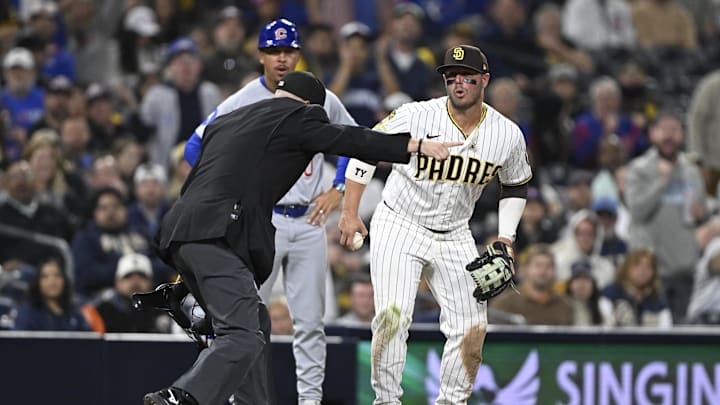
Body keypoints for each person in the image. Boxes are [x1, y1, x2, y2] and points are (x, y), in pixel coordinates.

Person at [143, 71, 459, 405]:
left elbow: (205, 177)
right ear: (311, 105)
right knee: (243, 335)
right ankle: (181, 397)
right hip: (217, 235)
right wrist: (417, 145)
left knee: (256, 320)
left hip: (181, 230)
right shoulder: (299, 116)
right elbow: (353, 140)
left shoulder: (229, 120)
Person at [339, 45, 532, 404]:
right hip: (400, 223)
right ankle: (386, 401)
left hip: (455, 232)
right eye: (451, 77)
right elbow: (367, 147)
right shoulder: (416, 115)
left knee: (472, 326)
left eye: (468, 78)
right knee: (393, 318)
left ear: (484, 80)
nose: (458, 84)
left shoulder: (506, 134)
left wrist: (506, 236)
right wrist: (350, 212)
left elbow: (516, 183)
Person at [183, 18, 359, 405]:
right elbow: (194, 147)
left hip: (310, 220)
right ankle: (235, 398)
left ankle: (310, 402)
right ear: (261, 55)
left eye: (289, 51)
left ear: (298, 54)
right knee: (243, 321)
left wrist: (340, 188)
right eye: (274, 51)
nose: (282, 58)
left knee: (311, 323)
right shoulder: (244, 99)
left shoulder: (320, 96)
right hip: (261, 221)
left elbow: (352, 140)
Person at [13, 258, 90, 331]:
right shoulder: (28, 313)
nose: (52, 281)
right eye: (45, 277)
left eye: (57, 275)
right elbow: (19, 342)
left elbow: (89, 340)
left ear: (64, 280)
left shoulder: (75, 311)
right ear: (38, 282)